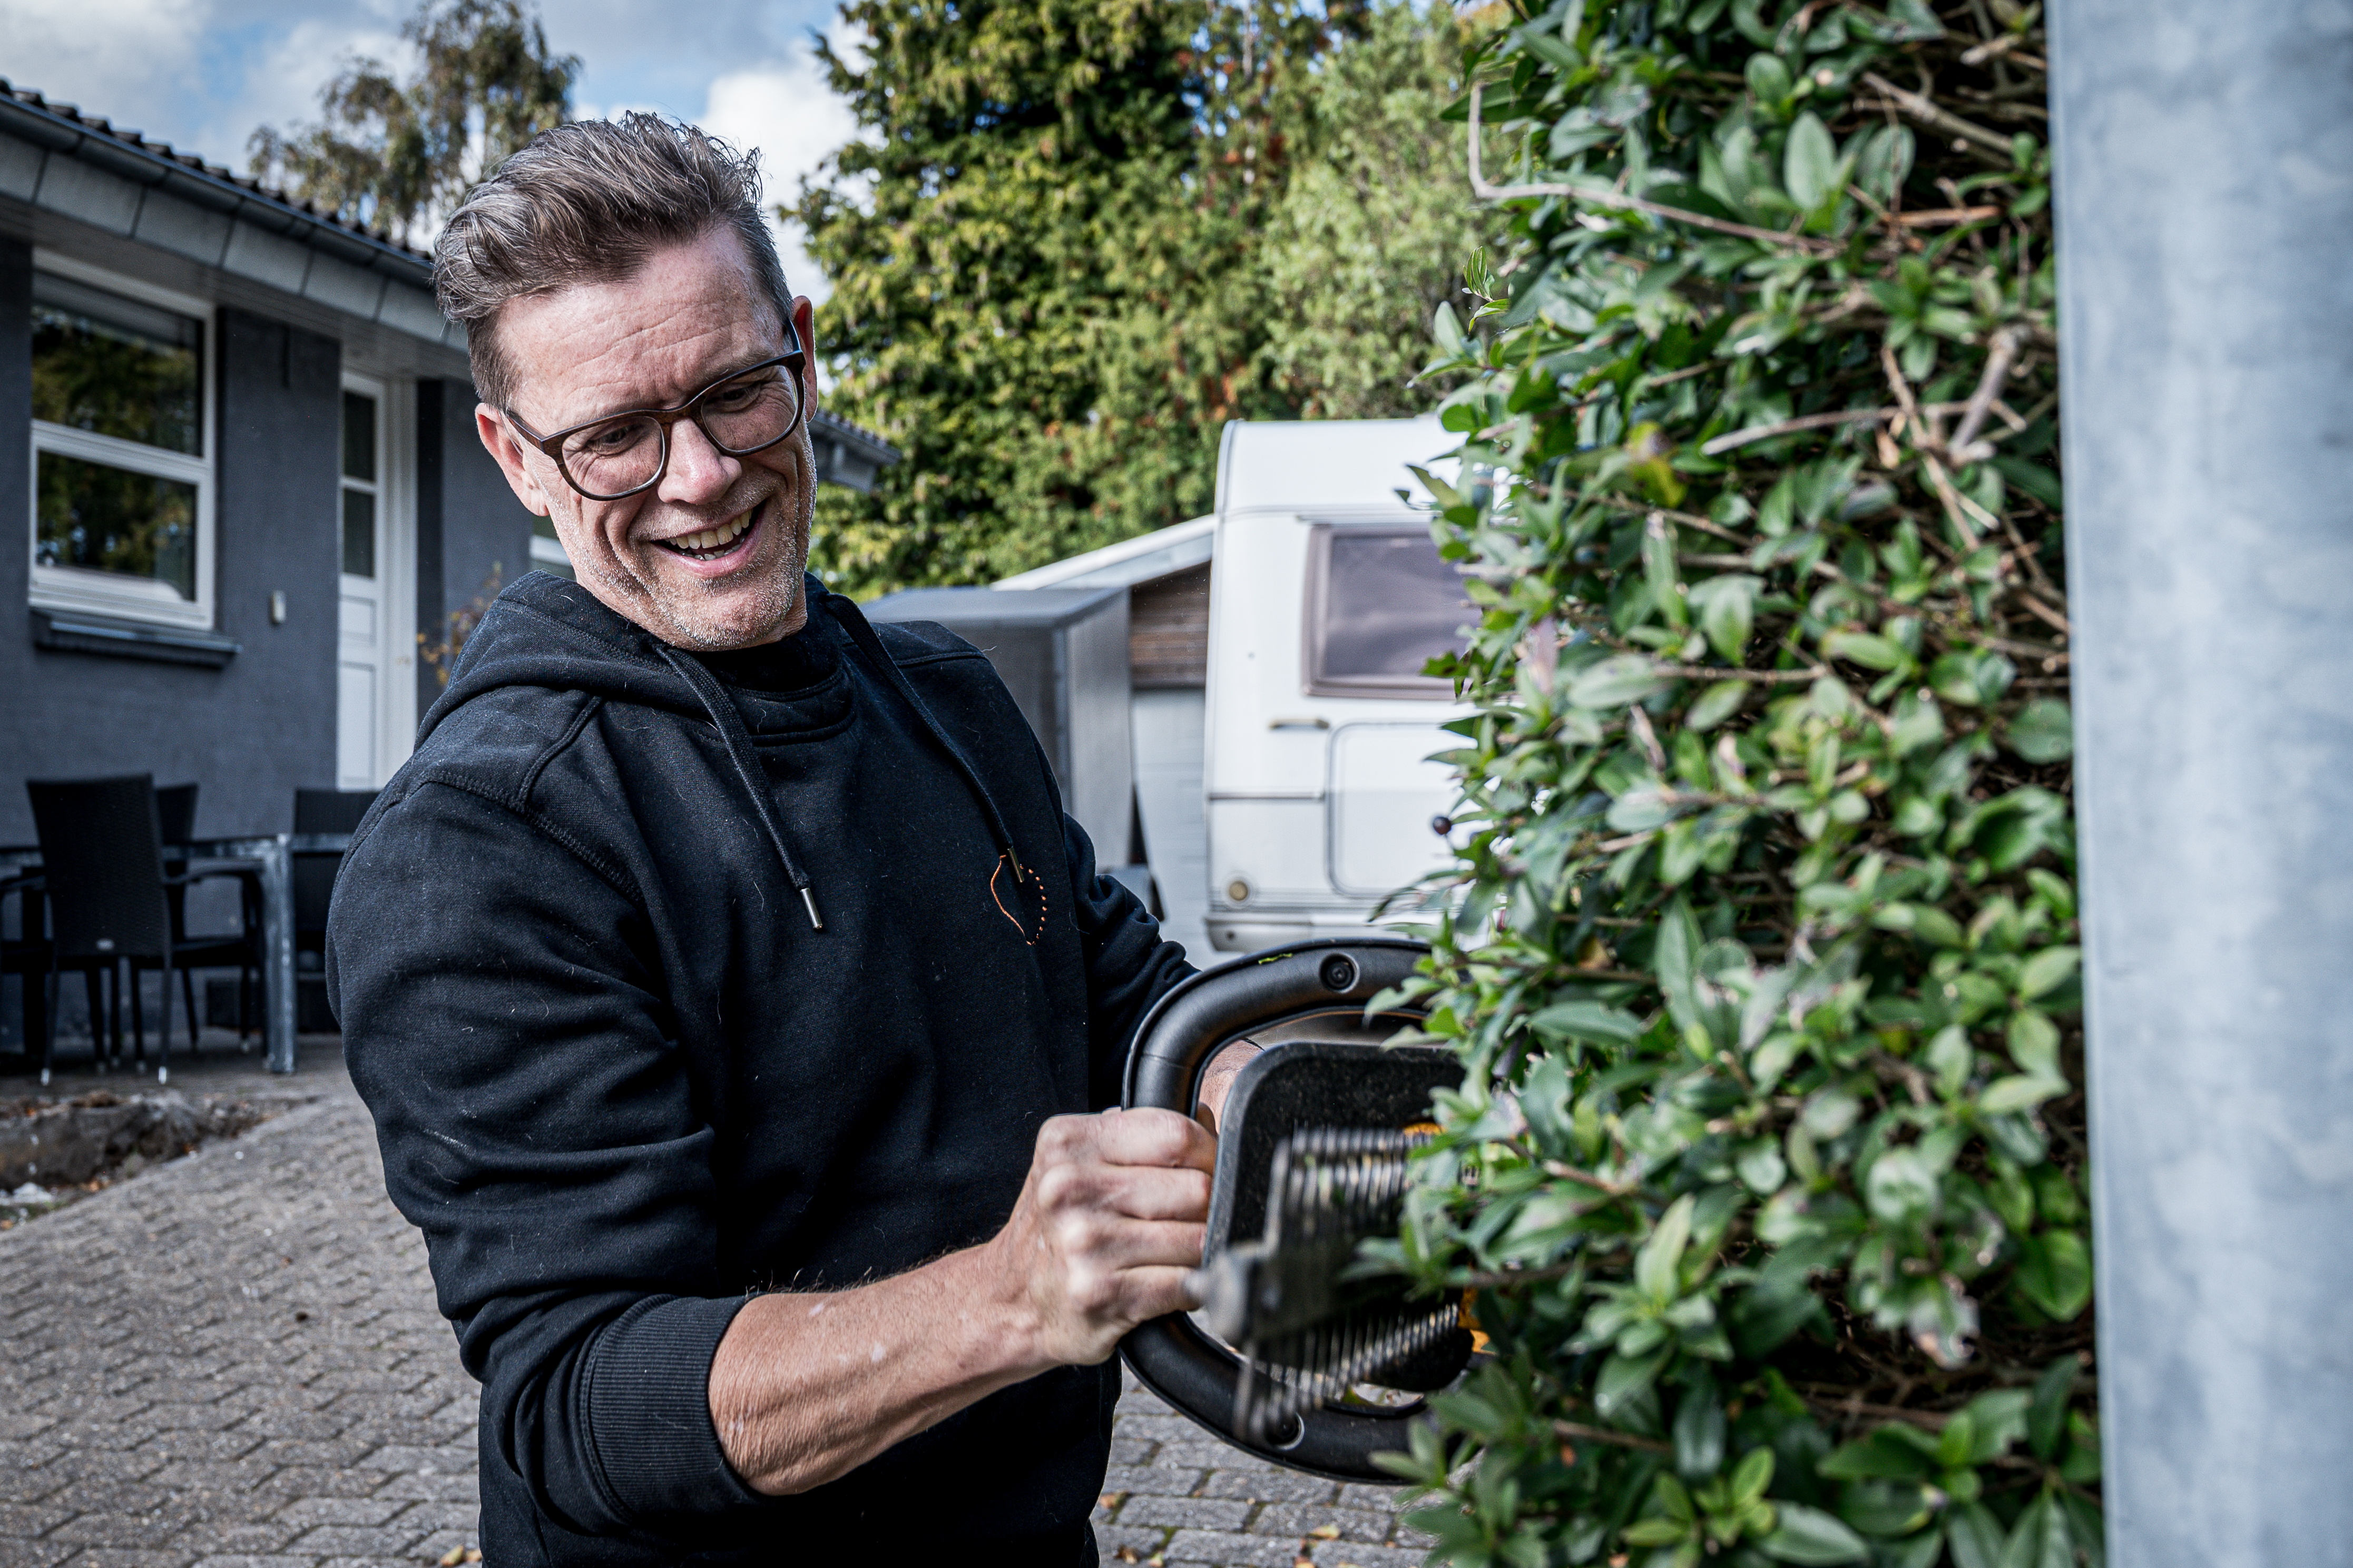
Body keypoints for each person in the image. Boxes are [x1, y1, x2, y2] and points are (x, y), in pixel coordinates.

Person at [326, 113, 1213, 1566]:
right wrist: (1009, 1297)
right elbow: (583, 1399)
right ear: (517, 458)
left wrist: (1280, 1081)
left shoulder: (947, 702)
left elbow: (1142, 1011)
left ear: (801, 353)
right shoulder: (481, 846)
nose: (697, 475)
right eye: (614, 437)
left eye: (736, 393)